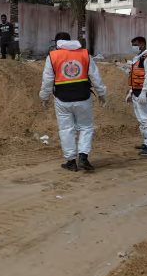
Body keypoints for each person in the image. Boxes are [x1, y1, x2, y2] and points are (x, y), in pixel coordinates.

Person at [40, 32, 107, 172]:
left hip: (62, 99)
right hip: (83, 98)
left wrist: (44, 98)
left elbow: (47, 81)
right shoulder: (84, 54)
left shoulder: (52, 56)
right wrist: (101, 94)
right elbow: (95, 77)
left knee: (66, 129)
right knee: (85, 127)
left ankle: (71, 161)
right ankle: (83, 157)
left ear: (58, 42)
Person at [126, 36, 147, 156]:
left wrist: (144, 91)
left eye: (135, 44)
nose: (133, 47)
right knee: (142, 120)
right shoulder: (137, 59)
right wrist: (131, 92)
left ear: (142, 44)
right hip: (137, 93)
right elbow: (134, 77)